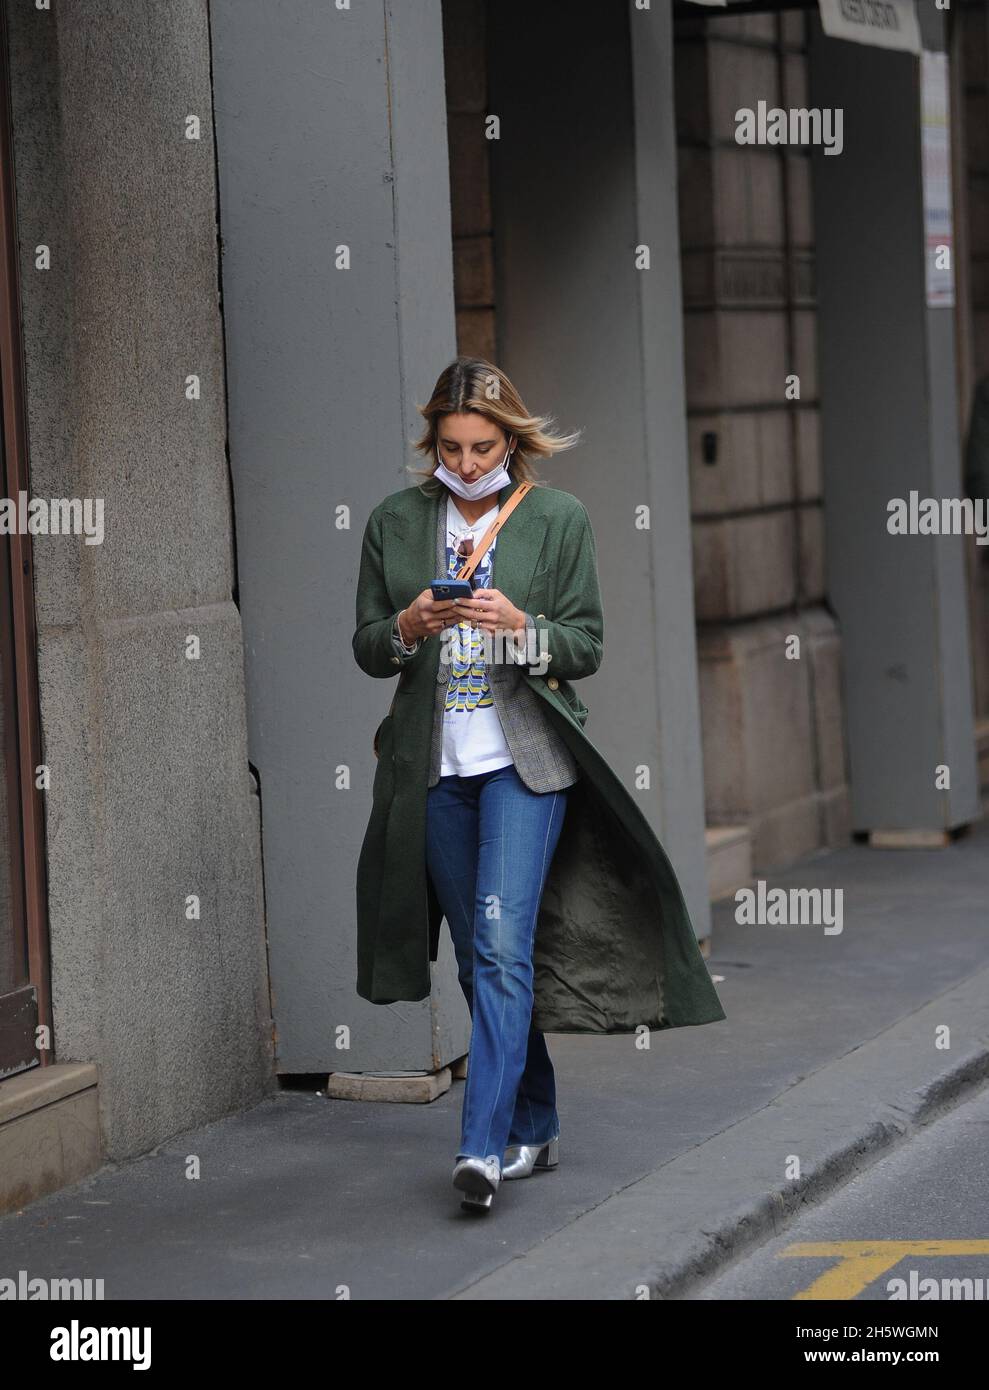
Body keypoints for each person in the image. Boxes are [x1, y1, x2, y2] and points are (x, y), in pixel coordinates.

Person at [352, 356, 726, 1215]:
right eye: (452, 447)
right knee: (483, 969)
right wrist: (408, 624)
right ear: (431, 444)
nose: (469, 462)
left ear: (512, 441)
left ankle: (481, 1147)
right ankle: (538, 1119)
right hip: (434, 772)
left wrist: (523, 628)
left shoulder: (556, 519)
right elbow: (368, 646)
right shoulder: (394, 522)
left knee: (499, 946)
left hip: (524, 767)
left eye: (484, 446)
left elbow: (587, 644)